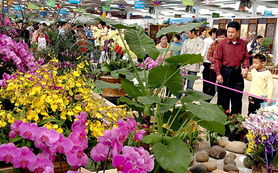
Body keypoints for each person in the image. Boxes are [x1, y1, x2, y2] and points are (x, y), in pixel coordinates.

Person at [215, 21, 250, 114]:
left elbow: (246, 57)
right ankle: (222, 124)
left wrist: (245, 68)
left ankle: (235, 124)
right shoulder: (222, 44)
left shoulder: (242, 43)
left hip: (237, 74)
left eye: (232, 32)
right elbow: (217, 59)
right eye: (228, 31)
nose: (229, 34)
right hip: (225, 72)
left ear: (238, 32)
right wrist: (218, 74)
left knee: (237, 99)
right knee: (223, 100)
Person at [207, 28, 227, 98]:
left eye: (222, 37)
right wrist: (216, 61)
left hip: (224, 69)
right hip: (213, 68)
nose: (220, 39)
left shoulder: (228, 45)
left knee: (222, 88)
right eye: (219, 37)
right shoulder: (213, 44)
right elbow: (209, 56)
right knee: (211, 88)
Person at [202, 28, 217, 96]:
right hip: (206, 61)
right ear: (213, 33)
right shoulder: (207, 40)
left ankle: (210, 91)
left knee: (212, 79)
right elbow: (204, 50)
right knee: (206, 78)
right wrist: (201, 59)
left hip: (214, 62)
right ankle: (205, 91)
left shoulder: (216, 41)